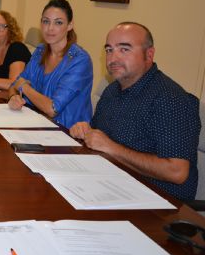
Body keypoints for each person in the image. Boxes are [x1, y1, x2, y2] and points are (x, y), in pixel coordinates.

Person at [70, 23, 199, 201]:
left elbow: (177, 172)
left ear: (149, 54)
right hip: (108, 184)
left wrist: (112, 148)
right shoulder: (112, 90)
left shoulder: (170, 99)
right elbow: (99, 139)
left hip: (157, 204)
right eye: (109, 50)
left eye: (124, 49)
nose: (113, 58)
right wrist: (85, 131)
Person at [7, 0, 92, 128]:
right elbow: (14, 85)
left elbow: (53, 109)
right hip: (36, 125)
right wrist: (14, 98)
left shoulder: (79, 60)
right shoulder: (40, 51)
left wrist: (24, 88)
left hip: (68, 136)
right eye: (46, 21)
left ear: (69, 25)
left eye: (58, 23)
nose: (50, 28)